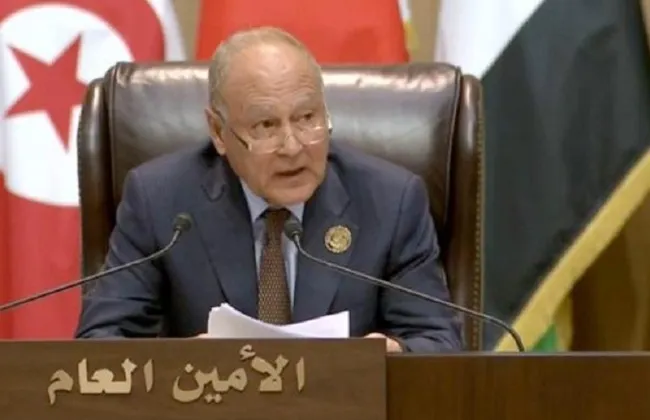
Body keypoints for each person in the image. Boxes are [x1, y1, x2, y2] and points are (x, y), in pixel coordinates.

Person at [75, 27, 462, 352]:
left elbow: (440, 343)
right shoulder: (159, 199)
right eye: (265, 126)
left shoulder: (391, 201)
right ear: (218, 132)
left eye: (307, 118)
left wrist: (390, 355)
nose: (292, 146)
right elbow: (99, 343)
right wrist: (182, 361)